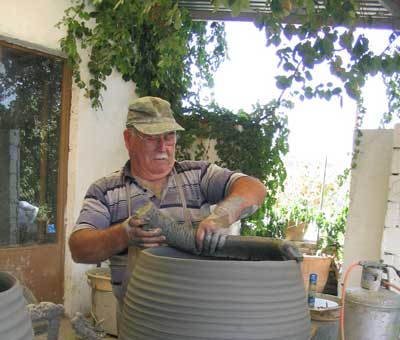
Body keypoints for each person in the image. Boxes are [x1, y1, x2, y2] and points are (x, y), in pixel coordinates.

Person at [69, 96, 267, 307]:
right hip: (138, 318)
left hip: (201, 312)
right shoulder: (106, 190)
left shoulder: (198, 175)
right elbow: (79, 249)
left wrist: (221, 217)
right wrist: (123, 234)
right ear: (129, 140)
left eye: (169, 136)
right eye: (152, 138)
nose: (163, 147)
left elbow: (254, 188)